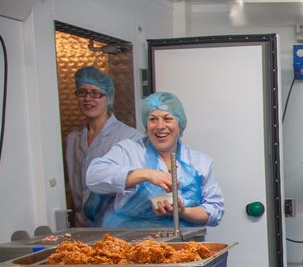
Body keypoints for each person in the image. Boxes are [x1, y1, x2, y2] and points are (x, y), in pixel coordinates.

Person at [86, 91, 224, 228]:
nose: (160, 126)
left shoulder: (200, 162)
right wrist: (146, 174)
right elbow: (94, 176)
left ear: (180, 123)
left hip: (184, 245)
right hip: (132, 244)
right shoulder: (129, 151)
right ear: (146, 125)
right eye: (152, 119)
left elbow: (215, 212)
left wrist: (181, 211)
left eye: (167, 118)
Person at [64, 67, 140, 227]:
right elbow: (72, 186)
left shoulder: (129, 137)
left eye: (95, 93)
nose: (87, 99)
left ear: (108, 97)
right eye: (82, 92)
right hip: (82, 226)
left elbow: (138, 189)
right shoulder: (72, 139)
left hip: (117, 225)